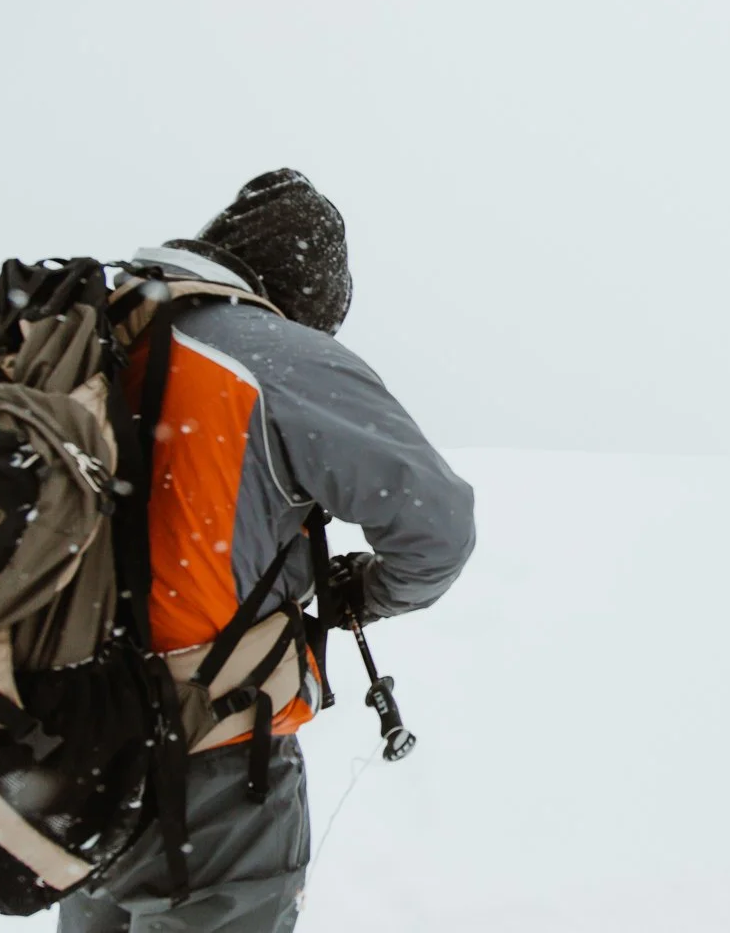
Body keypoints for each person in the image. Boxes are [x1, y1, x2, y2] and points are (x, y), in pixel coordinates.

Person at [57, 168, 476, 933]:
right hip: (212, 759)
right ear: (304, 296)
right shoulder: (271, 355)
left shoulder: (95, 335)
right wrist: (366, 593)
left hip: (70, 744)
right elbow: (437, 525)